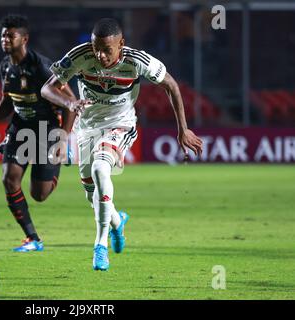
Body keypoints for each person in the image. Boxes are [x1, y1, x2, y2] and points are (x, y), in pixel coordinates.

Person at [41, 18, 203, 270]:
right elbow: (47, 89)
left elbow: (170, 85)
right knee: (92, 194)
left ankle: (100, 246)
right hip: (86, 129)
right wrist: (70, 104)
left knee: (100, 169)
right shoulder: (80, 56)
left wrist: (183, 129)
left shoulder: (137, 61)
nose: (100, 55)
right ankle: (117, 222)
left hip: (121, 125)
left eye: (107, 49)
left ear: (121, 44)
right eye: (96, 48)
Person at [0, 15, 76, 252]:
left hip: (47, 129)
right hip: (20, 126)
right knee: (9, 178)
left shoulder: (42, 67)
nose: (5, 39)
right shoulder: (5, 65)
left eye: (10, 35)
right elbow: (8, 100)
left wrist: (63, 139)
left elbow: (71, 102)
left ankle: (58, 163)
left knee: (39, 194)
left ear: (24, 38)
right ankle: (33, 238)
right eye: (3, 34)